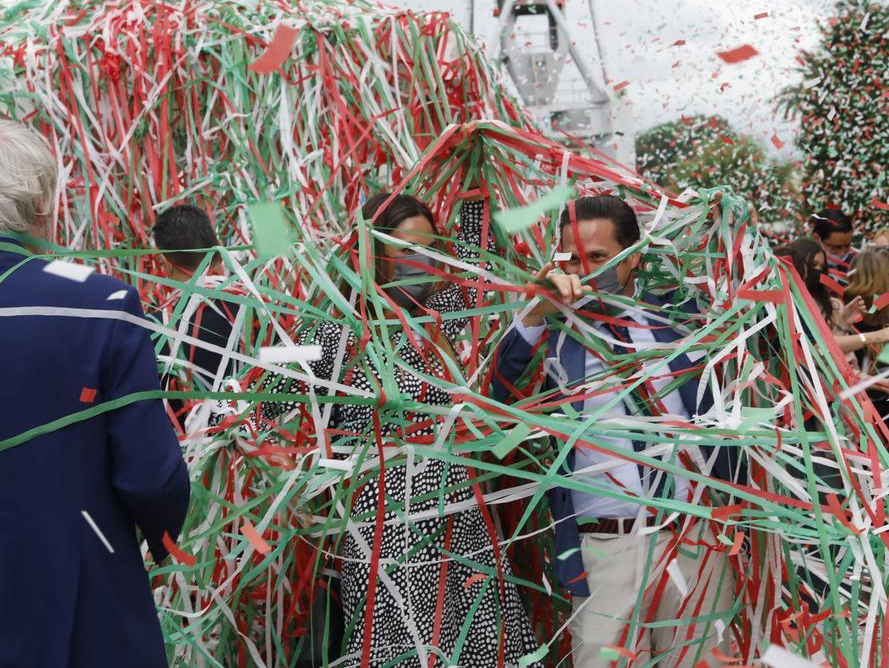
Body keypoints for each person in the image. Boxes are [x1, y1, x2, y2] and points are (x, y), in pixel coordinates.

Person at [257, 191, 540, 666]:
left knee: (475, 639)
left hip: (458, 511)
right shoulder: (336, 329)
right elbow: (262, 392)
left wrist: (470, 150)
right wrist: (286, 463)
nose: (422, 263)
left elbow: (476, 245)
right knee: (401, 642)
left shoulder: (446, 311)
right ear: (373, 254)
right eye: (407, 251)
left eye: (430, 250)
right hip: (382, 520)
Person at [491, 196, 740, 667]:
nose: (586, 271)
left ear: (635, 257)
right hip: (605, 550)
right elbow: (497, 395)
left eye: (600, 257)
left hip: (694, 541)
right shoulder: (553, 334)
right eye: (573, 259)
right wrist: (535, 313)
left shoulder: (681, 319)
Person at [0, 119, 191, 665]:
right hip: (78, 604)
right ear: (41, 206)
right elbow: (151, 476)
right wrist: (166, 541)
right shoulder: (97, 304)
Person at [152, 204, 245, 425]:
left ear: (164, 263)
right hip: (261, 450)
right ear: (218, 251)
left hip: (189, 454)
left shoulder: (154, 329)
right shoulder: (257, 309)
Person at [844, 247, 889, 449]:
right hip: (877, 400)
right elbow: (881, 352)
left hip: (877, 397)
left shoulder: (853, 304)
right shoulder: (864, 310)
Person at [811, 208, 856, 285]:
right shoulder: (803, 269)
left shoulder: (855, 267)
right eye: (835, 247)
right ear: (817, 238)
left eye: (847, 246)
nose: (842, 253)